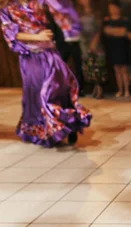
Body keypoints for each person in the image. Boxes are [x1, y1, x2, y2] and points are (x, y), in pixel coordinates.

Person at [0, 0, 91, 147]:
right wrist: (38, 37)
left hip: (50, 53)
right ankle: (46, 131)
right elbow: (10, 33)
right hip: (29, 57)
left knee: (59, 89)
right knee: (37, 93)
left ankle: (69, 124)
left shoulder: (38, 3)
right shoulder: (6, 9)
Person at [44, 0, 85, 95]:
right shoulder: (56, 12)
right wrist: (53, 40)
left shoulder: (74, 12)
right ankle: (62, 88)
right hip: (62, 43)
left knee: (78, 66)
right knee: (60, 67)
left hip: (76, 42)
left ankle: (80, 89)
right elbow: (52, 27)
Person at [103, 1, 131, 97]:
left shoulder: (124, 20)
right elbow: (106, 32)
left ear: (119, 9)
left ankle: (127, 90)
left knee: (124, 69)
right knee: (116, 69)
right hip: (112, 46)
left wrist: (113, 31)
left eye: (114, 8)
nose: (113, 10)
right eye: (111, 8)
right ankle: (120, 90)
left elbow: (125, 32)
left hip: (122, 46)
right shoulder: (107, 20)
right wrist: (117, 31)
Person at [77, 0, 107, 99]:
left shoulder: (96, 12)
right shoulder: (78, 12)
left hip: (96, 40)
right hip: (84, 41)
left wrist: (94, 42)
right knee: (88, 64)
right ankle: (95, 86)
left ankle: (99, 87)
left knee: (98, 64)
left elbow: (99, 29)